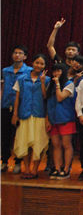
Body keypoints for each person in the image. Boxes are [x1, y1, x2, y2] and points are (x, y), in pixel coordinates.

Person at [11, 54, 50, 179]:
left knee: (38, 143)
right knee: (24, 142)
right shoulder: (21, 79)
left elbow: (46, 97)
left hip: (40, 115)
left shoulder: (47, 80)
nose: (39, 65)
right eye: (37, 62)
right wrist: (15, 114)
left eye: (42, 64)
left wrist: (42, 82)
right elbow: (17, 98)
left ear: (44, 66)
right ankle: (26, 168)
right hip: (24, 114)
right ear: (32, 63)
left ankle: (34, 169)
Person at [1, 45, 31, 174]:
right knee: (4, 136)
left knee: (19, 136)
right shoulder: (5, 71)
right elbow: (2, 88)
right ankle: (4, 161)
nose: (17, 55)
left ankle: (18, 162)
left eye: (20, 53)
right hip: (5, 106)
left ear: (25, 56)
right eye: (15, 53)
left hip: (21, 108)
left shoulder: (29, 71)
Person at [46, 63, 76, 179]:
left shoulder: (69, 84)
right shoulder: (50, 85)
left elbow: (60, 97)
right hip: (53, 119)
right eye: (54, 71)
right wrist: (48, 119)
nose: (56, 73)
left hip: (65, 119)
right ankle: (57, 168)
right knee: (56, 145)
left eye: (59, 71)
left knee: (66, 144)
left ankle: (66, 169)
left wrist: (58, 84)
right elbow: (47, 101)